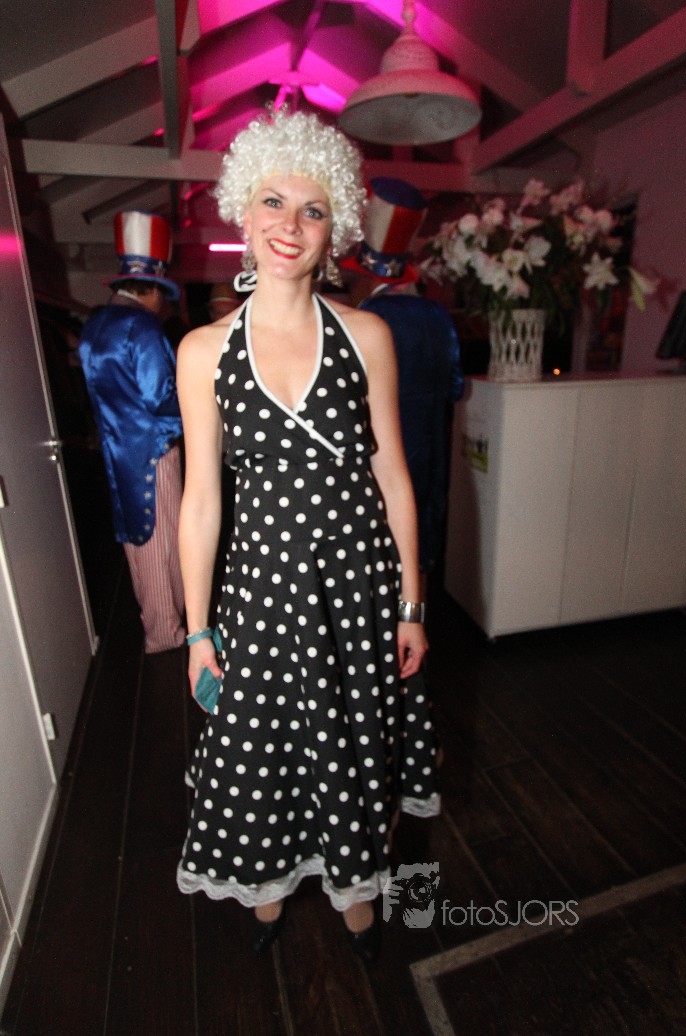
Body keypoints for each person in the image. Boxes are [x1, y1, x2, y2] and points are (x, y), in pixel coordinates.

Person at [175, 108, 440, 962]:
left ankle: (355, 882)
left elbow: (393, 477)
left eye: (313, 209)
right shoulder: (202, 350)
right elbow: (201, 503)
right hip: (259, 591)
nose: (290, 224)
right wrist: (197, 631)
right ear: (242, 211)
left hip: (358, 585)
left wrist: (411, 603)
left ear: (337, 230)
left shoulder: (367, 335)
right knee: (267, 741)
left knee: (354, 737)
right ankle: (270, 876)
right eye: (272, 201)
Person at [343, 176, 464, 581]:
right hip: (429, 467)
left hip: (377, 471)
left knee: (376, 573)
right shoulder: (439, 317)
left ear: (367, 276)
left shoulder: (364, 322)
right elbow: (455, 388)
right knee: (417, 563)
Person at [78, 211, 185, 653]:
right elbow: (161, 395)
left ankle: (157, 624)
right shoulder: (141, 326)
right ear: (152, 288)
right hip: (153, 449)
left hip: (118, 449)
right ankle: (166, 634)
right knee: (164, 542)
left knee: (139, 543)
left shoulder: (96, 324)